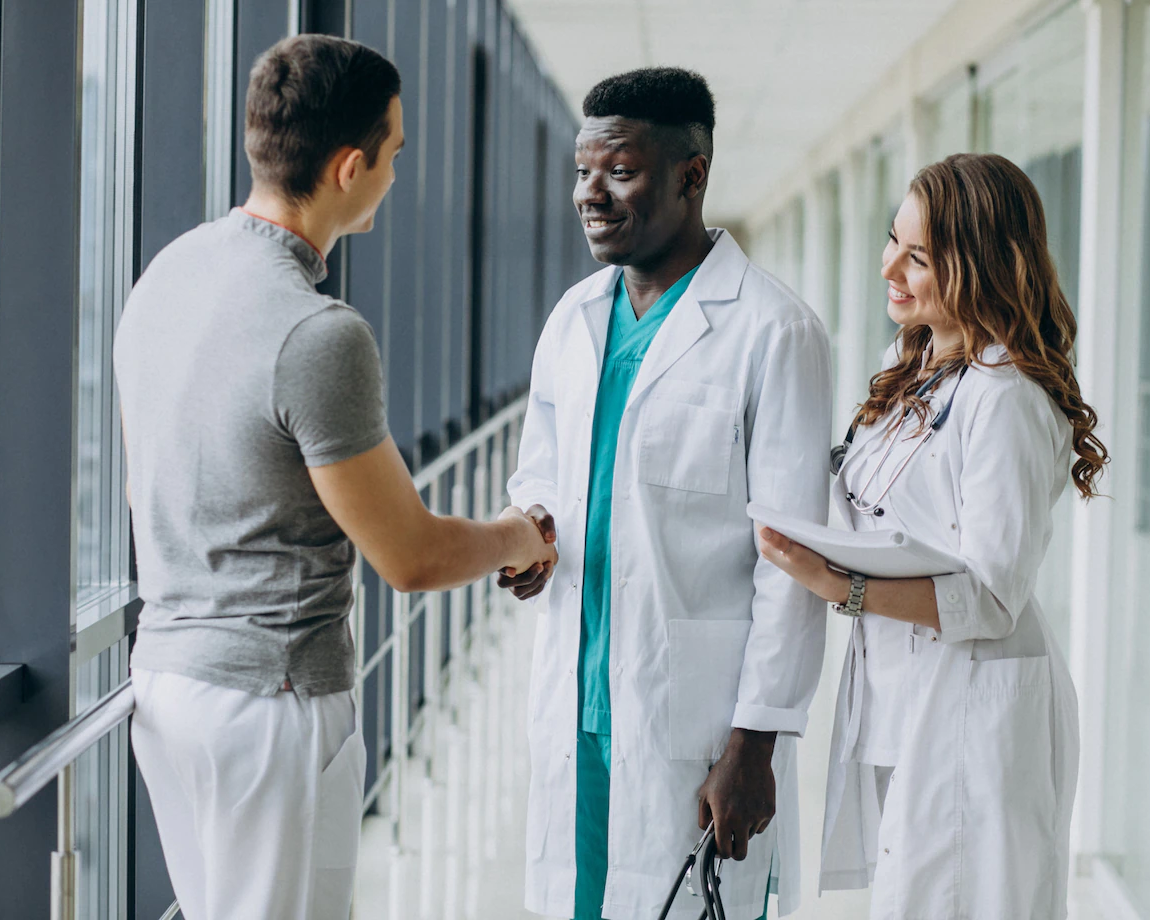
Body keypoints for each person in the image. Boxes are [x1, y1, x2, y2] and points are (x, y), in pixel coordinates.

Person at [113, 35, 555, 920]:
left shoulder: (169, 272)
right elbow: (414, 556)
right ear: (349, 167)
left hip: (167, 685)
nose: (395, 172)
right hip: (268, 705)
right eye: (392, 154)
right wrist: (521, 533)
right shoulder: (318, 333)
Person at [503, 67, 833, 920]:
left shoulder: (774, 331)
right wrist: (530, 534)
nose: (590, 195)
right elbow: (540, 468)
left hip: (693, 718)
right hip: (578, 701)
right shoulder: (573, 319)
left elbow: (790, 561)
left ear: (693, 174)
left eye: (619, 170)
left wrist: (755, 742)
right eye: (583, 172)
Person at [757, 153, 1108, 920]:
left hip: (977, 704)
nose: (888, 265)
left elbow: (990, 599)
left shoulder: (1006, 399)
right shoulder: (913, 362)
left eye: (917, 257)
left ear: (980, 266)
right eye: (893, 241)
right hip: (905, 695)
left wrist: (839, 587)